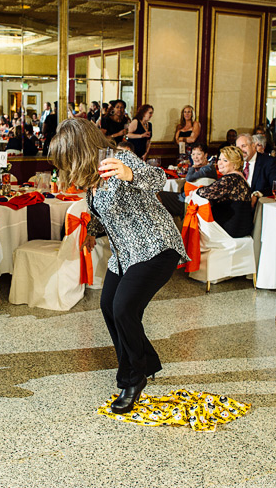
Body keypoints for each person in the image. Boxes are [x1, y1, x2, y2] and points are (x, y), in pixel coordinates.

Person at [49, 118, 188, 414]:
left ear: (80, 147)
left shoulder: (119, 159)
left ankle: (133, 378)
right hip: (125, 253)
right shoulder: (92, 175)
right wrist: (92, 231)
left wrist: (129, 173)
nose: (66, 165)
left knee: (124, 307)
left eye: (67, 157)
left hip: (156, 246)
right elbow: (103, 208)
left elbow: (158, 179)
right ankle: (145, 361)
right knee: (109, 306)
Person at [194, 146, 253, 238]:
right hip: (242, 228)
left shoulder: (230, 179)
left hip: (230, 230)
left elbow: (204, 193)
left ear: (235, 164)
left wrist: (196, 190)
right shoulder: (241, 179)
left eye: (225, 160)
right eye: (220, 159)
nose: (219, 163)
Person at [158, 143, 217, 218]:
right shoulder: (205, 167)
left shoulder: (207, 169)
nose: (195, 157)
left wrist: (193, 167)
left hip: (188, 202)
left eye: (198, 154)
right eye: (193, 154)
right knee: (160, 196)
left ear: (205, 155)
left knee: (159, 196)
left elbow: (189, 178)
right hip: (186, 198)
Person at [235, 133, 276, 199]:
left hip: (257, 205)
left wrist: (258, 194)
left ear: (253, 146)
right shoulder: (235, 162)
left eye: (244, 146)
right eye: (238, 148)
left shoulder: (268, 162)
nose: (241, 150)